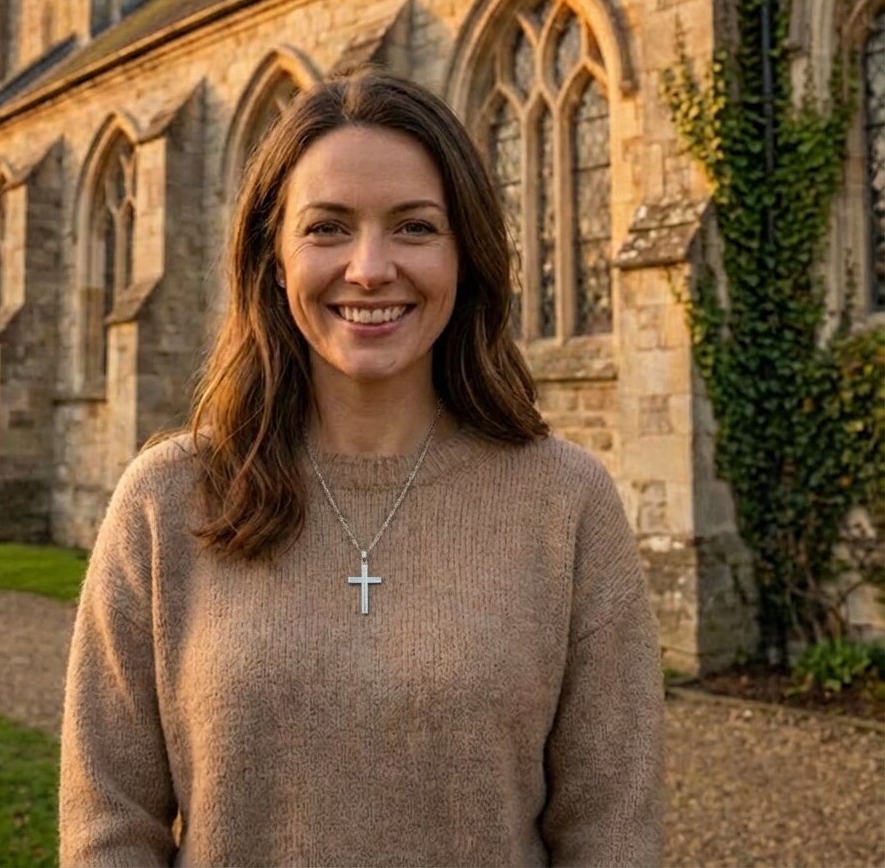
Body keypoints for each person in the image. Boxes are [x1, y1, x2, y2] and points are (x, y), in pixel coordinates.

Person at [58, 70, 664, 867]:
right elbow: (111, 829)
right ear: (274, 259)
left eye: (414, 227)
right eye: (328, 228)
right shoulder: (166, 502)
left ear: (465, 255)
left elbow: (611, 832)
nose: (371, 267)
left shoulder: (567, 503)